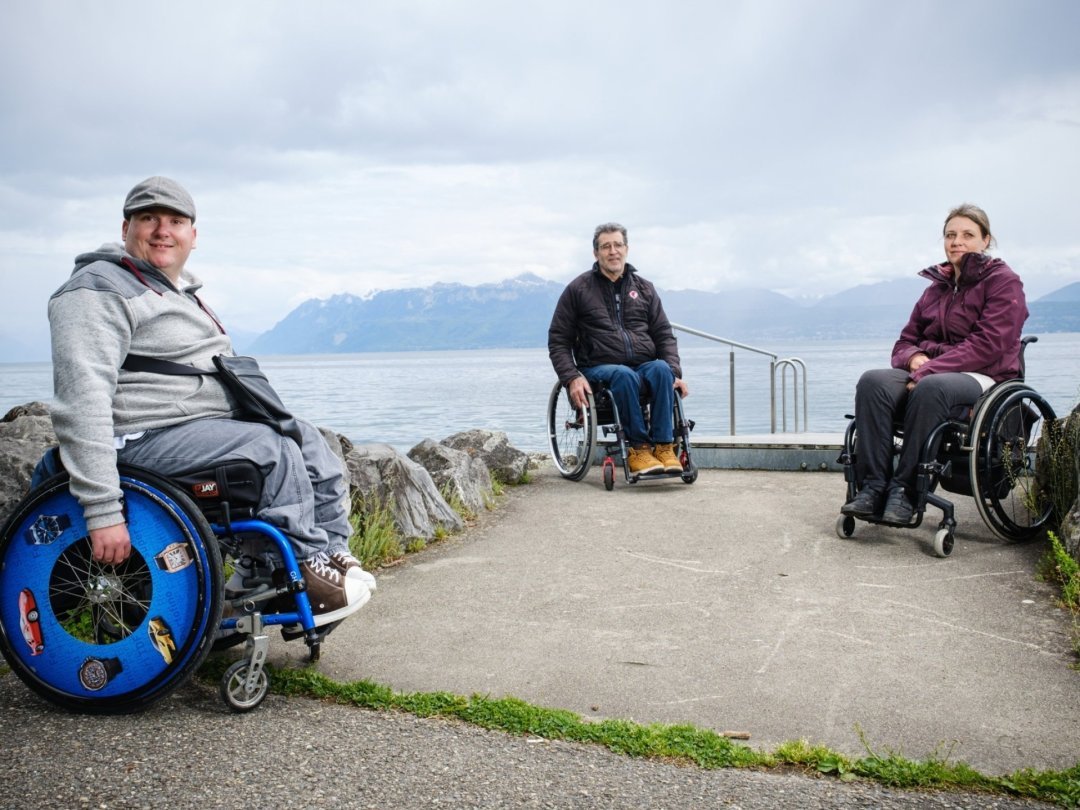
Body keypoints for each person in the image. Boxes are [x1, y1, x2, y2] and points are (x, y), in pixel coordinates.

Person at [45, 176, 375, 626]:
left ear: (192, 236)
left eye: (175, 221)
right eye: (149, 219)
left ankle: (330, 559)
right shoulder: (97, 288)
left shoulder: (180, 294)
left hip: (193, 429)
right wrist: (103, 510)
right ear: (126, 230)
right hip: (141, 437)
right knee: (270, 452)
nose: (163, 230)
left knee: (314, 444)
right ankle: (301, 570)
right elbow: (83, 400)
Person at [842, 203, 1028, 524]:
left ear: (986, 240)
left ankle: (906, 492)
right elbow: (904, 342)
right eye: (950, 235)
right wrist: (914, 358)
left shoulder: (1003, 281)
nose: (957, 241)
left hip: (984, 375)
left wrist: (927, 368)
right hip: (931, 372)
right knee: (872, 381)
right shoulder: (935, 288)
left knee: (932, 387)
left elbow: (988, 345)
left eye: (967, 235)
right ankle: (872, 487)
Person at [548, 222, 689, 475]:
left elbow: (664, 336)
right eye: (606, 246)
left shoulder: (645, 289)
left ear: (627, 249)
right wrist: (571, 378)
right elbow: (558, 340)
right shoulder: (578, 290)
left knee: (660, 369)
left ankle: (665, 447)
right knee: (624, 375)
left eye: (618, 245)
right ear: (596, 253)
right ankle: (639, 450)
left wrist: (675, 372)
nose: (613, 251)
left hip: (642, 366)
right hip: (598, 369)